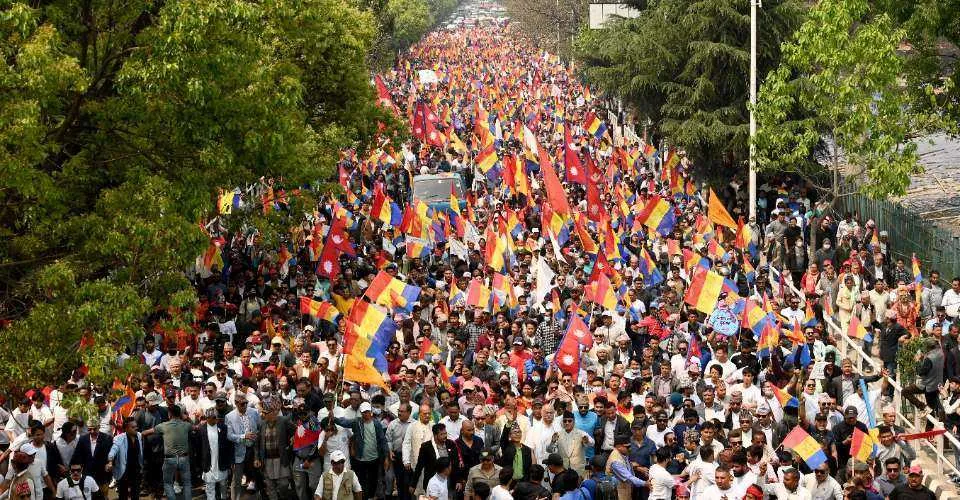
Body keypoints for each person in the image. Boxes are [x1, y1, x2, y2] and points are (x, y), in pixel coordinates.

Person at [143, 403, 193, 500]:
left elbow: (146, 432)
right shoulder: (186, 425)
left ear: (169, 414)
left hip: (170, 459)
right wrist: (187, 418)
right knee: (187, 483)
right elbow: (195, 427)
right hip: (184, 458)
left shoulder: (163, 426)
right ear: (180, 414)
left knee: (167, 483)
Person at [256, 398, 295, 500]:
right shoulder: (262, 424)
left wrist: (292, 440)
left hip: (281, 459)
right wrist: (257, 458)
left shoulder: (283, 421)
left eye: (266, 413)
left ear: (273, 412)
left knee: (284, 484)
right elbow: (257, 443)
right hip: (267, 460)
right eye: (264, 413)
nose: (263, 415)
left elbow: (295, 431)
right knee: (270, 485)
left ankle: (282, 496)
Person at [225, 393, 261, 499]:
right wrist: (243, 436)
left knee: (258, 476)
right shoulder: (229, 416)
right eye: (242, 404)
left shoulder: (254, 412)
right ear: (236, 403)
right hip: (239, 451)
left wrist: (256, 435)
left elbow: (260, 427)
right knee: (236, 480)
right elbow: (229, 436)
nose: (244, 406)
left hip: (253, 449)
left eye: (246, 403)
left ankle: (260, 496)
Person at [197, 407, 233, 500]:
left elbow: (229, 446)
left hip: (221, 463)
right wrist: (201, 464)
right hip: (208, 464)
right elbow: (199, 448)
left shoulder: (223, 428)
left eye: (216, 417)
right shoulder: (201, 429)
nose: (216, 419)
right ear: (207, 418)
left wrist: (229, 462)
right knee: (210, 487)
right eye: (214, 417)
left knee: (223, 485)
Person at [106, 418, 144, 500]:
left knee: (135, 494)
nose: (136, 428)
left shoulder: (139, 435)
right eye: (133, 427)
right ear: (126, 429)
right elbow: (113, 450)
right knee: (123, 495)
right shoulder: (119, 438)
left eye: (136, 426)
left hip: (136, 470)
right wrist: (110, 462)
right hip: (123, 471)